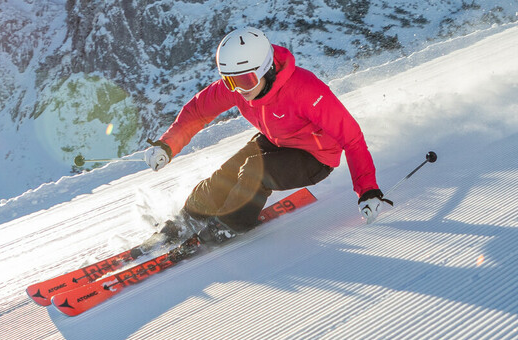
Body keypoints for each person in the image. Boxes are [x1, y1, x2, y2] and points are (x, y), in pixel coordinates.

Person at [142, 27, 391, 243]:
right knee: (227, 173)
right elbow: (198, 111)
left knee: (254, 171)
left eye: (247, 81)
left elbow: (352, 137)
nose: (239, 89)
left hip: (316, 157)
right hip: (277, 140)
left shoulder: (305, 90)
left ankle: (230, 225)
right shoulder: (238, 87)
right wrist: (167, 146)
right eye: (230, 82)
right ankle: (188, 218)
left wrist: (367, 190)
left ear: (267, 69)